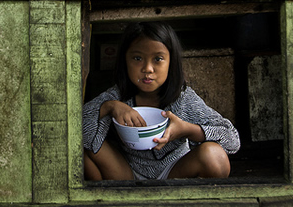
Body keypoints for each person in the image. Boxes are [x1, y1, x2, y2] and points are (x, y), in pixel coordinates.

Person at [83, 21, 240, 180]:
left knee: (215, 157)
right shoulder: (117, 96)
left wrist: (187, 130)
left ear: (171, 62)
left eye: (158, 59)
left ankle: (173, 198)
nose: (147, 69)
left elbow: (232, 140)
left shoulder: (183, 98)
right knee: (80, 147)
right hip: (127, 173)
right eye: (137, 58)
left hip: (175, 171)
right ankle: (105, 199)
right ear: (125, 60)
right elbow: (77, 128)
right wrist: (110, 107)